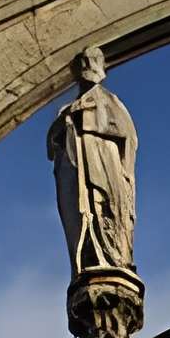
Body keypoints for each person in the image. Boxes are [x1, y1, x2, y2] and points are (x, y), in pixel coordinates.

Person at [48, 46, 139, 278]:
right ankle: (86, 262)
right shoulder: (66, 110)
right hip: (76, 173)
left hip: (105, 170)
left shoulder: (110, 101)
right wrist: (68, 120)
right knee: (80, 220)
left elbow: (128, 136)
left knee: (105, 211)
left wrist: (87, 120)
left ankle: (113, 258)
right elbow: (52, 146)